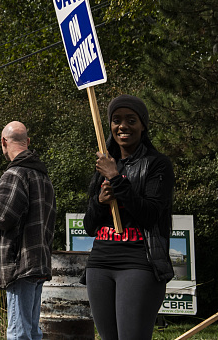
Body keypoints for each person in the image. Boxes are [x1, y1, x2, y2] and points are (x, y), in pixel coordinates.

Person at [83, 95, 174, 340]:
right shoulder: (104, 164)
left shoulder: (157, 164)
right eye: (116, 120)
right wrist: (100, 202)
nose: (122, 126)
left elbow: (150, 215)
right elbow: (89, 226)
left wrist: (117, 179)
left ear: (143, 125)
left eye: (131, 120)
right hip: (100, 264)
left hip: (138, 262)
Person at [0, 121, 56, 340]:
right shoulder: (43, 176)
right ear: (27, 142)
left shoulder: (15, 174)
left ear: (3, 142)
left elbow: (2, 216)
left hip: (20, 265)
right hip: (38, 262)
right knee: (31, 331)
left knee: (18, 333)